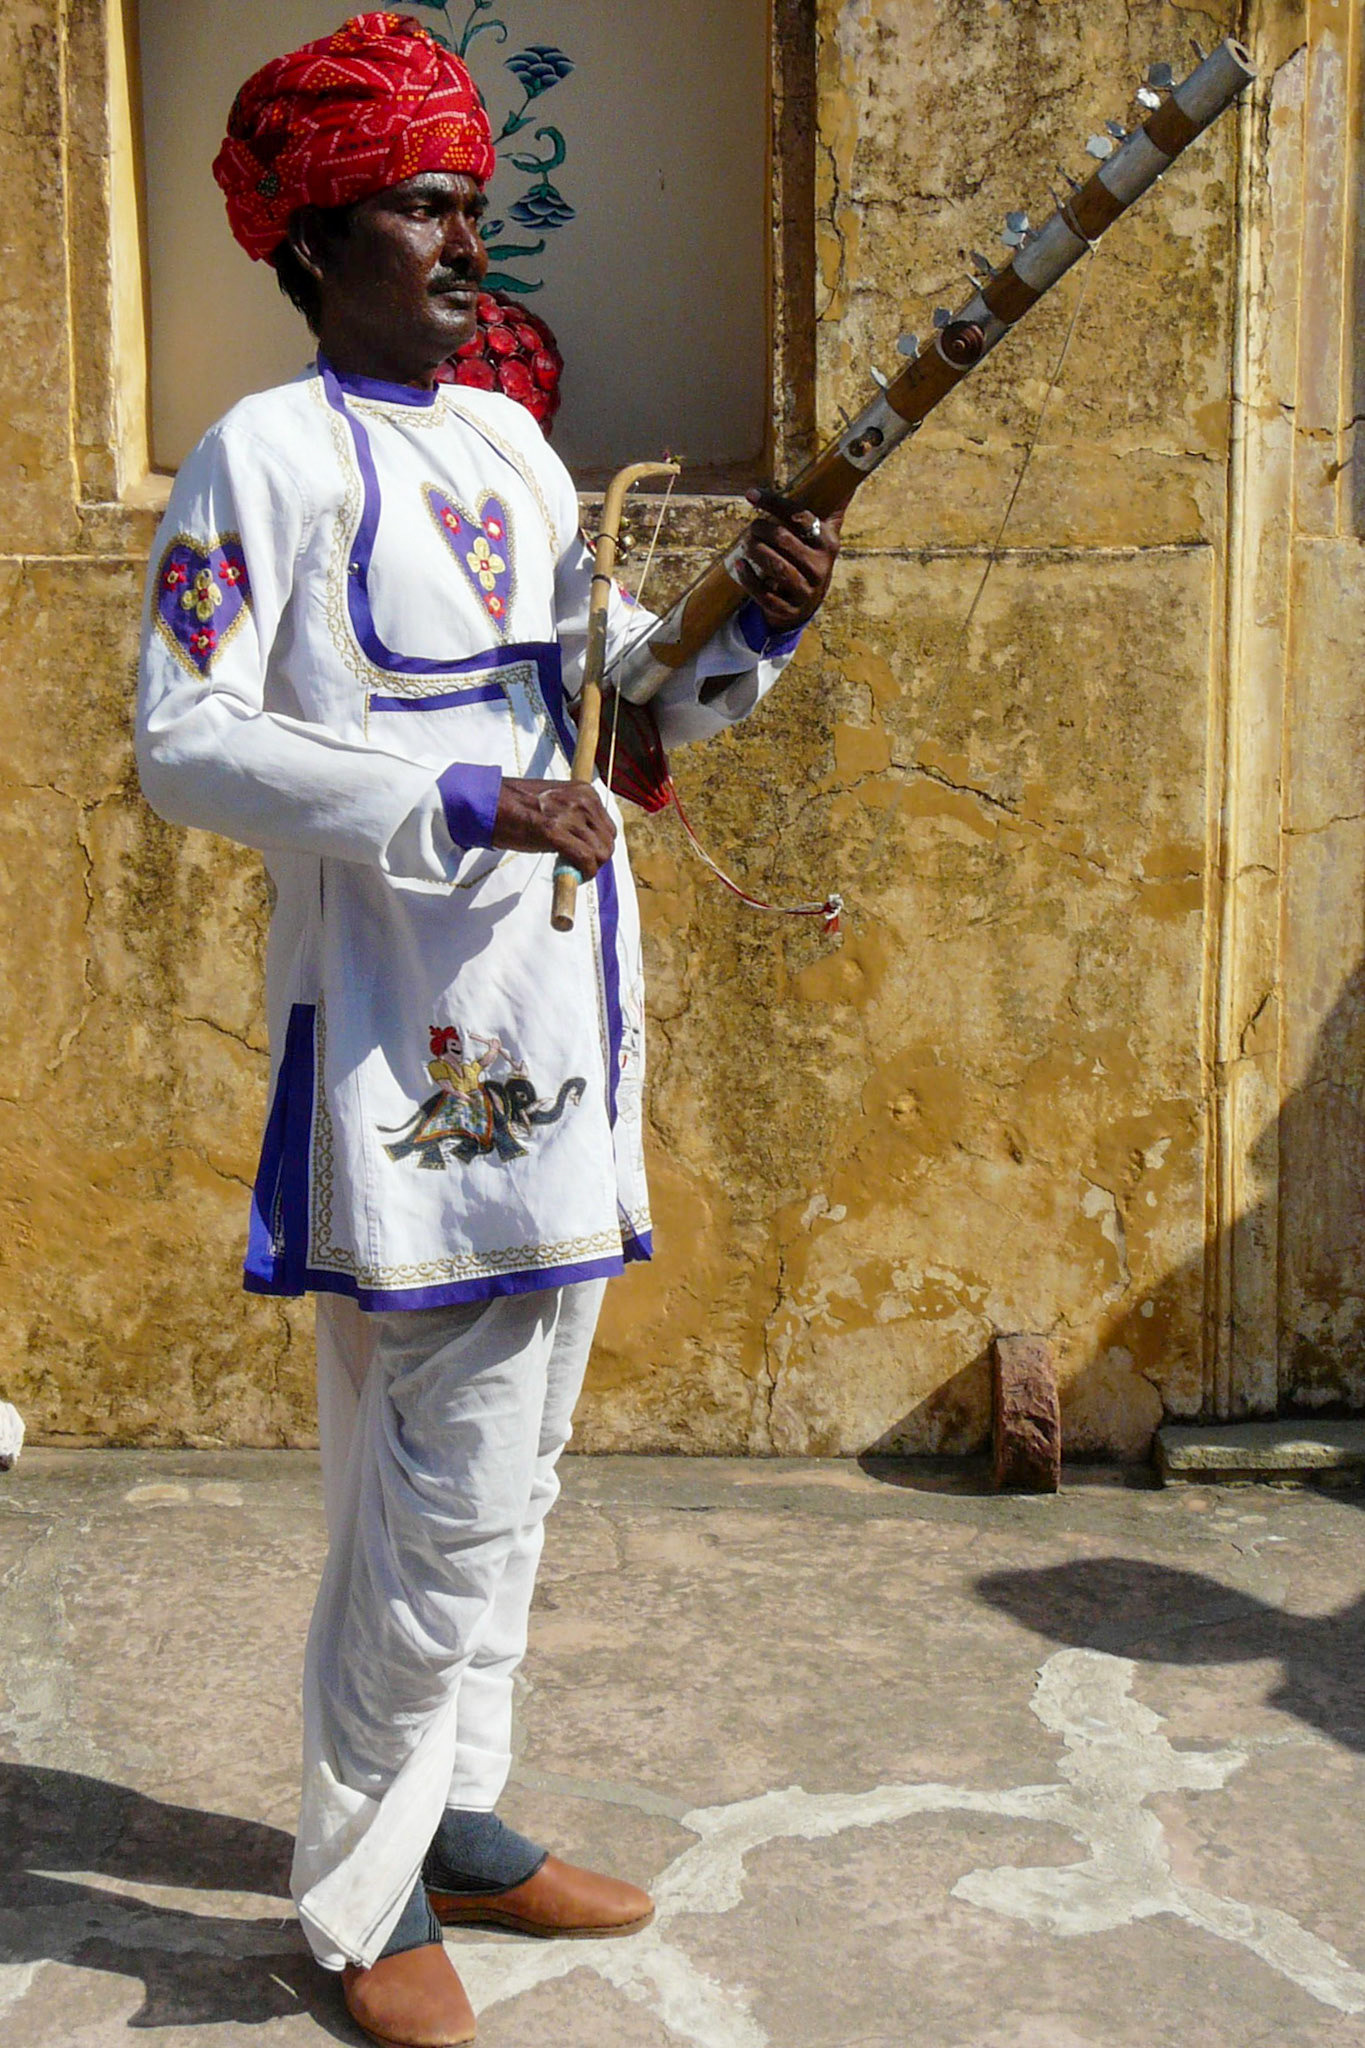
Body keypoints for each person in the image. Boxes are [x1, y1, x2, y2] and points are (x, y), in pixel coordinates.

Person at [135, 14, 841, 2045]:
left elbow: (612, 695)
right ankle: (359, 1907)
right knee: (426, 1499)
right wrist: (437, 797)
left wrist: (749, 621)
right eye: (424, 206)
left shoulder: (512, 446)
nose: (468, 234)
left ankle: (454, 1820)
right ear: (318, 238)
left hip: (566, 1033)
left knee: (511, 1468)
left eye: (468, 200)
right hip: (397, 1055)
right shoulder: (258, 460)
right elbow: (184, 740)